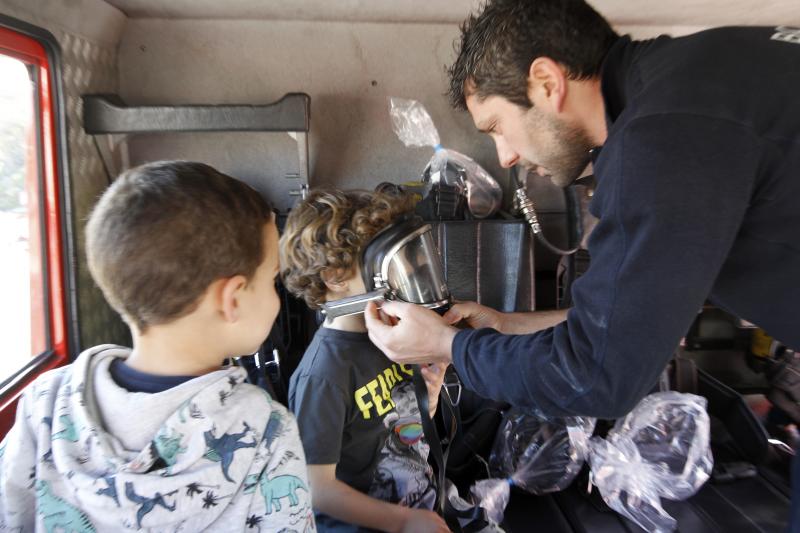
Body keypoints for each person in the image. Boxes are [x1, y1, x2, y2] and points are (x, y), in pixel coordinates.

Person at [366, 0, 800, 420]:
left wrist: (448, 346)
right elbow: (633, 318)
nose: (505, 157)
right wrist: (503, 326)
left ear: (547, 83)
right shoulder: (694, 74)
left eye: (497, 127)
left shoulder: (659, 143)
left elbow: (596, 374)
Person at [0, 161, 315, 532]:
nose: (276, 295)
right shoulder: (266, 430)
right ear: (231, 299)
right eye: (272, 279)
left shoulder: (45, 403)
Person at [280, 188, 449, 533]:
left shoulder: (391, 337)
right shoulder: (323, 375)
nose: (407, 272)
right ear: (335, 278)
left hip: (418, 506)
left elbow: (402, 431)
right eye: (385, 261)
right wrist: (404, 522)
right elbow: (318, 488)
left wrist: (428, 400)